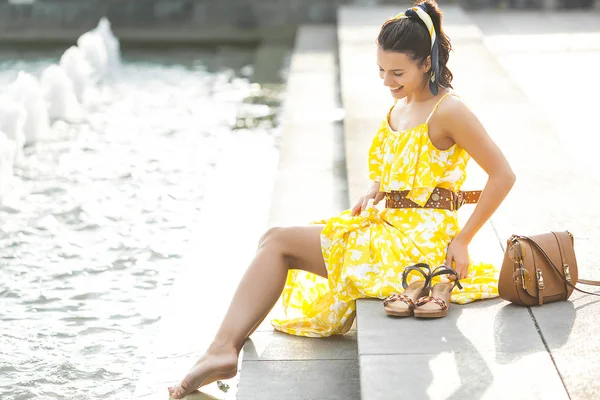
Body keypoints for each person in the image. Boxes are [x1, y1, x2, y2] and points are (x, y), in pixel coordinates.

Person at [168, 0, 515, 397]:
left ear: (426, 63)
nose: (388, 81)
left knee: (279, 241)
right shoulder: (402, 105)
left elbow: (503, 175)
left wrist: (463, 238)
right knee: (275, 239)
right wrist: (376, 191)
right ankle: (226, 346)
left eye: (398, 72)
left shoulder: (449, 110)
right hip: (389, 228)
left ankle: (222, 349)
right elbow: (406, 173)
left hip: (418, 244)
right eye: (382, 71)